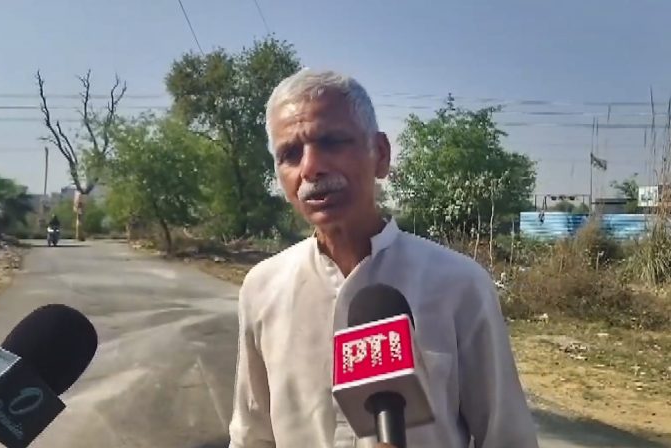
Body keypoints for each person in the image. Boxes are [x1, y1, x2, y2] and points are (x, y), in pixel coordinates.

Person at [227, 68, 539, 448]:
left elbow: (507, 438)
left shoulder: (459, 284)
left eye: (332, 142)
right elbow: (252, 436)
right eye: (290, 154)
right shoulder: (262, 288)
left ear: (381, 155)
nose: (310, 167)